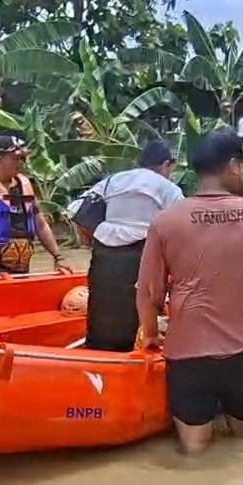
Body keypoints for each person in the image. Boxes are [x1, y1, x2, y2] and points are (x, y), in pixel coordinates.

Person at [136, 129, 243, 455]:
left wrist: (150, 333)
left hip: (188, 354)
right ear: (234, 165)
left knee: (194, 452)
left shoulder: (166, 221)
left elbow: (149, 293)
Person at [71, 140, 184, 351]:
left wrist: (97, 235)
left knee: (101, 304)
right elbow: (181, 228)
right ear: (167, 164)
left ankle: (98, 353)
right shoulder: (169, 189)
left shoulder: (113, 180)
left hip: (105, 253)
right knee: (141, 309)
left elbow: (79, 210)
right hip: (143, 253)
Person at [0, 135, 71, 282]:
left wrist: (58, 257)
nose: (20, 164)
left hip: (23, 272)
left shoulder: (24, 186)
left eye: (21, 159)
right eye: (15, 159)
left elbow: (41, 224)